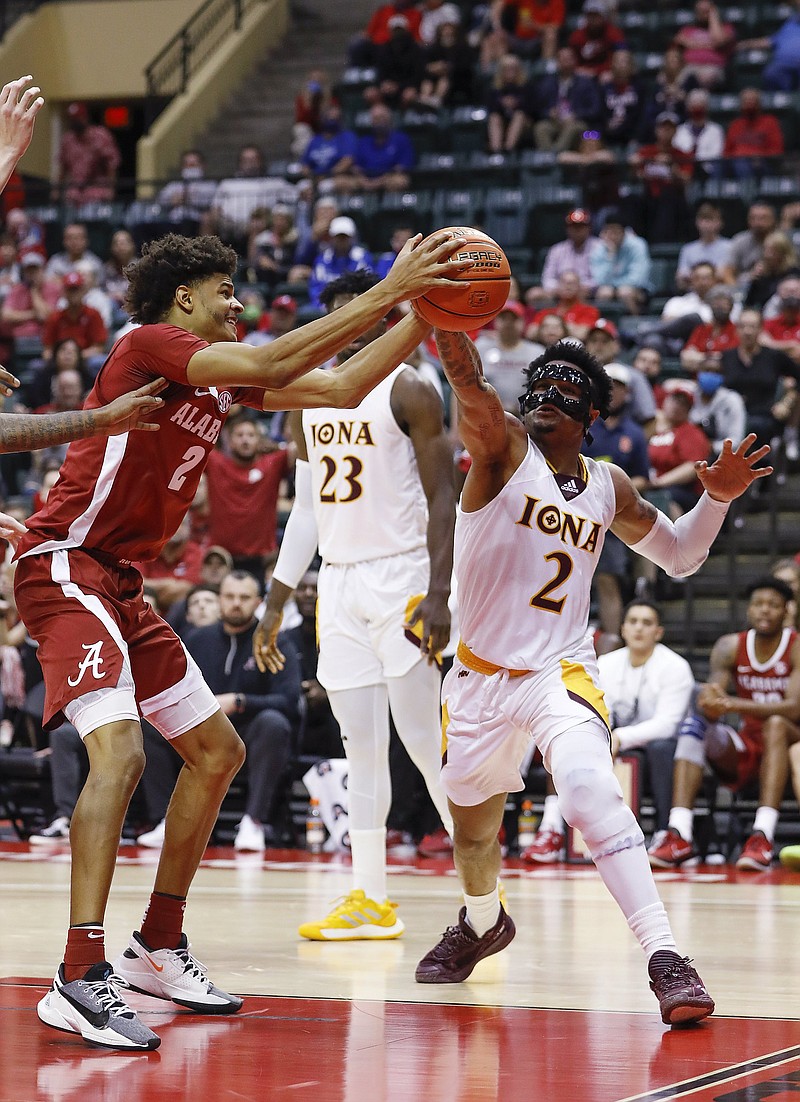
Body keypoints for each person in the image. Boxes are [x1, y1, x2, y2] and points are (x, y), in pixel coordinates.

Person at [13, 229, 468, 1051]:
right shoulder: (152, 344)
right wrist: (388, 287)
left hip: (122, 582)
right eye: (225, 291)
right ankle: (79, 973)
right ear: (186, 298)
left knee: (219, 754)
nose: (238, 303)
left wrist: (422, 312)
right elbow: (265, 364)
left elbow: (336, 385)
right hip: (65, 568)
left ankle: (156, 945)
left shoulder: (217, 381)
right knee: (120, 755)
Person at [414, 330, 768, 1020]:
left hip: (560, 670)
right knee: (474, 833)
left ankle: (667, 958)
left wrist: (718, 499)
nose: (548, 389)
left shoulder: (610, 485)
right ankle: (483, 922)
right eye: (540, 379)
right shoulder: (503, 447)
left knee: (586, 790)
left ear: (594, 415)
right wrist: (447, 315)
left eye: (567, 383)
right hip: (478, 678)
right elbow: (467, 381)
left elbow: (682, 557)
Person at [255, 269, 456, 942]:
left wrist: (439, 592)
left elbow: (442, 501)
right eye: (336, 316)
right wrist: (275, 601)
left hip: (401, 580)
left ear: (381, 319)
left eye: (359, 315)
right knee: (359, 747)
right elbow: (307, 511)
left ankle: (485, 890)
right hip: (338, 586)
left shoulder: (411, 389)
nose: (347, 327)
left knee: (425, 744)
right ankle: (370, 899)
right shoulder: (311, 400)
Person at [648, 577, 800, 871]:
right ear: (748, 610)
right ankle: (679, 833)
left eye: (773, 605)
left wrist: (732, 703)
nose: (764, 611)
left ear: (786, 611)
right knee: (695, 725)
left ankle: (762, 836)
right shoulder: (730, 646)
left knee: (777, 723)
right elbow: (715, 701)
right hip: (748, 744)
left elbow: (794, 708)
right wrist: (711, 700)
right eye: (758, 604)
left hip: (788, 743)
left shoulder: (795, 646)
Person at [524, 600, 695, 859]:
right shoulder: (606, 662)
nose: (639, 629)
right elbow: (595, 709)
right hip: (613, 742)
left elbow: (668, 724)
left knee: (662, 748)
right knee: (567, 736)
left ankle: (664, 831)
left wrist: (620, 737)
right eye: (633, 622)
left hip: (658, 749)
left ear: (658, 632)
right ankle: (553, 829)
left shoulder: (675, 666)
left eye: (647, 623)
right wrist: (603, 735)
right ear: (623, 629)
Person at [184, 570, 303, 850]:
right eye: (229, 596)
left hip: (252, 735)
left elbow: (289, 700)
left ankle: (253, 821)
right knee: (152, 727)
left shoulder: (274, 641)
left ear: (259, 602)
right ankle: (164, 821)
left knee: (273, 723)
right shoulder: (196, 639)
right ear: (220, 599)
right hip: (204, 733)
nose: (236, 603)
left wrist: (239, 701)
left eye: (244, 597)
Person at [205, 412, 290, 576]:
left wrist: (276, 446)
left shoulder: (273, 463)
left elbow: (299, 449)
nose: (245, 440)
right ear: (229, 440)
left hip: (263, 560)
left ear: (259, 439)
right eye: (239, 435)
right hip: (223, 559)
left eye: (251, 435)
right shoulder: (215, 463)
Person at [532, 46, 602, 153]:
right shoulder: (547, 83)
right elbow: (538, 107)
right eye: (563, 59)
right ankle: (547, 155)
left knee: (572, 128)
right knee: (541, 127)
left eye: (569, 59)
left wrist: (576, 115)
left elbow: (595, 109)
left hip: (582, 126)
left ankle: (556, 155)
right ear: (557, 62)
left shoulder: (586, 83)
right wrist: (549, 113)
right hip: (555, 122)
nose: (566, 62)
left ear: (575, 61)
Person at [55, 101, 121, 206]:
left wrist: (110, 190)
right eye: (73, 120)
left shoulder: (100, 136)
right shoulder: (68, 140)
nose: (75, 122)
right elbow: (63, 168)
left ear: (85, 117)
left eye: (78, 119)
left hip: (97, 188)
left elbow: (111, 165)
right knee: (70, 198)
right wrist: (56, 191)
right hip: (75, 191)